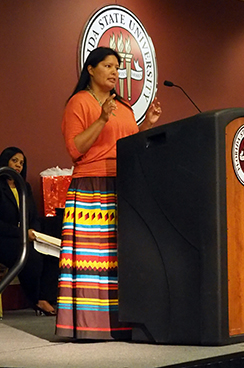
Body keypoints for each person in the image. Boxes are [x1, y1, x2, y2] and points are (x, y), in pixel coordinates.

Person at [55, 46, 162, 340]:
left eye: (117, 66)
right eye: (108, 66)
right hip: (91, 189)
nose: (115, 72)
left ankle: (123, 321)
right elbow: (75, 148)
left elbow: (128, 145)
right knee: (95, 259)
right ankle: (91, 326)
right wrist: (101, 119)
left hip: (123, 186)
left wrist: (147, 125)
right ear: (90, 69)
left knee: (120, 257)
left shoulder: (124, 107)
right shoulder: (78, 103)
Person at [0, 146, 57, 316]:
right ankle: (37, 300)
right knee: (31, 257)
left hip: (27, 236)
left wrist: (35, 233)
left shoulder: (25, 187)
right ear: (5, 161)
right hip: (5, 239)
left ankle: (46, 297)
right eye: (14, 161)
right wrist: (22, 233)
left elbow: (33, 216)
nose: (18, 165)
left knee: (53, 254)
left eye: (21, 163)